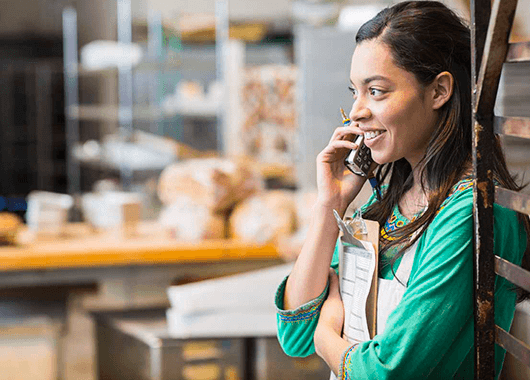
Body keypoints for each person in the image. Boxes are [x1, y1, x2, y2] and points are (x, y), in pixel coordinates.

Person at [275, 1, 530, 379]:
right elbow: (295, 334)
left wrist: (327, 335)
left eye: (376, 91)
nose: (356, 111)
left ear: (439, 91)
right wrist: (331, 203)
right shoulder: (390, 199)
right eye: (355, 92)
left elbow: (387, 372)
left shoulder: (469, 214)